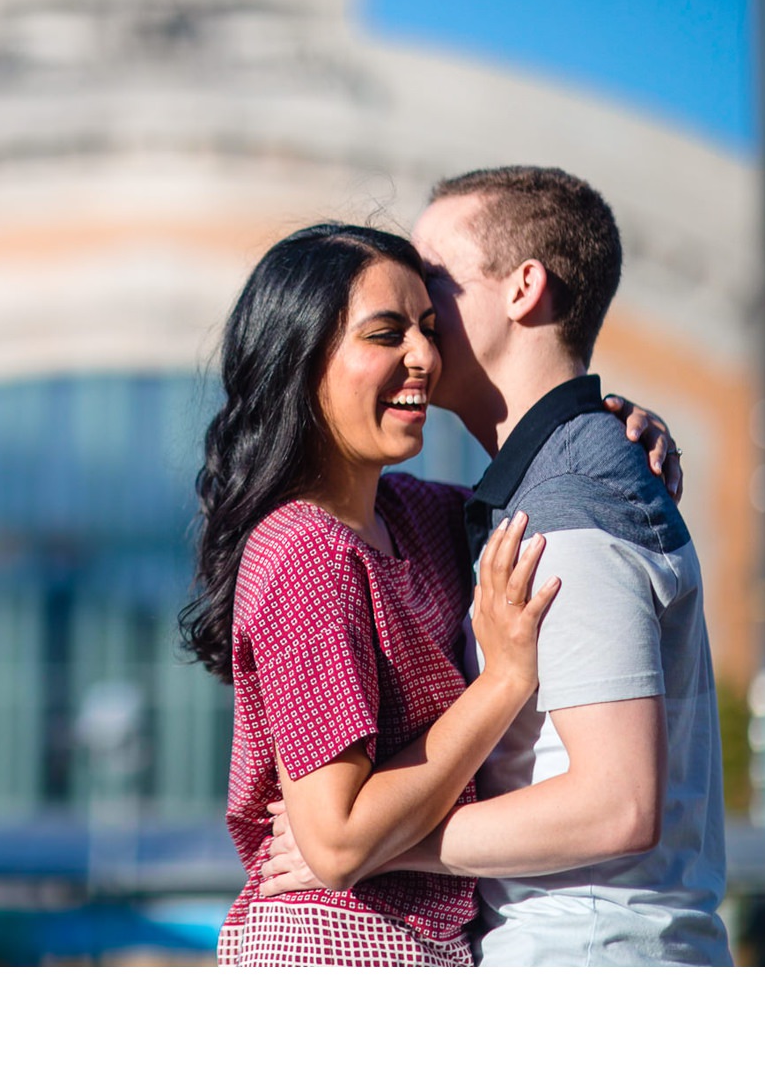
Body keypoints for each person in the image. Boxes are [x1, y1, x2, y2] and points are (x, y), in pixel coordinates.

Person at [258, 166, 732, 966]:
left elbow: (617, 805)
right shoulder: (530, 492)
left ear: (523, 290)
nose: (416, 307)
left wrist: (374, 844)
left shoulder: (569, 505)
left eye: (435, 279)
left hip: (589, 956)